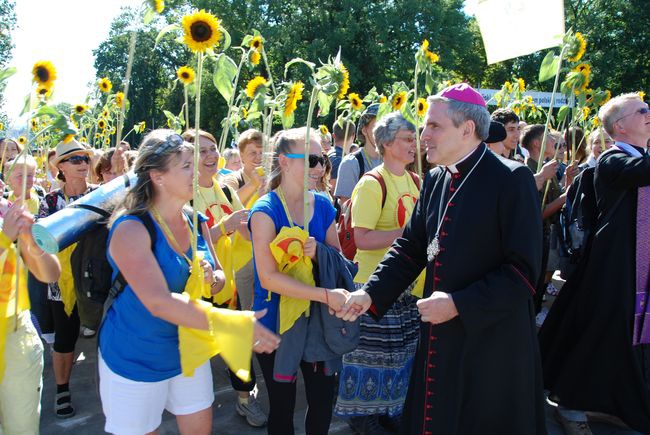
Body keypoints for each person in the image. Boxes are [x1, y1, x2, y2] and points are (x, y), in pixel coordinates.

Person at [337, 83, 546, 434]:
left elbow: (524, 272)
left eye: (434, 126)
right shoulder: (435, 179)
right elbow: (411, 247)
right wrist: (369, 293)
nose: (424, 135)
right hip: (440, 334)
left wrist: (458, 304)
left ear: (467, 129)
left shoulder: (512, 179)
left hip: (491, 338)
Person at [99, 129, 279, 435]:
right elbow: (158, 302)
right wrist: (232, 324)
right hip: (135, 357)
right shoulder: (130, 227)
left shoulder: (196, 219)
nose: (196, 170)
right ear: (157, 176)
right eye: (186, 165)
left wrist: (211, 276)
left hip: (189, 349)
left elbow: (222, 280)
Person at [539, 93, 650, 435]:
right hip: (614, 270)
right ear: (620, 126)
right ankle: (571, 403)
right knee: (600, 336)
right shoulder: (612, 161)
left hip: (638, 269)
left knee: (630, 339)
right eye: (642, 110)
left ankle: (620, 404)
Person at [249, 127, 350, 435]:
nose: (319, 168)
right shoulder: (265, 210)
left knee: (321, 401)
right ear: (284, 162)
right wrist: (324, 294)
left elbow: (338, 257)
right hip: (275, 322)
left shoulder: (322, 204)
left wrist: (318, 252)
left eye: (323, 160)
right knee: (282, 405)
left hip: (319, 322)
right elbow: (268, 278)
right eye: (311, 159)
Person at [334, 112, 422, 434]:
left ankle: (389, 411)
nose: (414, 145)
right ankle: (362, 418)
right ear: (385, 143)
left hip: (408, 289)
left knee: (399, 357)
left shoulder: (414, 181)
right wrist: (409, 233)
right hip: (375, 285)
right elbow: (362, 238)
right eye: (406, 139)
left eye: (414, 139)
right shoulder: (372, 183)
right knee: (369, 360)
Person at [182, 128, 267, 427]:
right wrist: (224, 226)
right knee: (196, 349)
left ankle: (245, 400)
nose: (210, 155)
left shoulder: (227, 190)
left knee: (237, 340)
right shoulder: (184, 194)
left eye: (213, 148)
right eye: (201, 151)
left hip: (228, 282)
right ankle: (191, 409)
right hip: (195, 286)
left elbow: (245, 227)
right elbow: (188, 243)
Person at [38, 138, 95, 419]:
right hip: (61, 283)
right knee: (65, 338)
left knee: (108, 333)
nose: (83, 164)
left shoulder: (100, 195)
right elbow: (41, 242)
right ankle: (62, 390)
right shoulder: (49, 201)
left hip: (97, 280)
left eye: (85, 158)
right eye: (75, 159)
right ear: (60, 166)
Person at [0, 201, 61, 435]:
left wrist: (35, 248)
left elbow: (50, 274)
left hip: (16, 340)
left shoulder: (6, 213)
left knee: (21, 428)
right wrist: (5, 239)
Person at [334, 104, 383, 203]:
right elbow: (346, 207)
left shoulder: (391, 161)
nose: (382, 132)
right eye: (377, 127)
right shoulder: (351, 163)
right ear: (364, 130)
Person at [223, 129, 266, 208]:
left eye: (262, 152)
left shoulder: (273, 178)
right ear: (241, 156)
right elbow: (228, 204)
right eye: (253, 153)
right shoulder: (233, 179)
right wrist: (252, 184)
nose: (259, 157)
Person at [327, 120, 356, 193]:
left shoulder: (329, 154)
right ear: (353, 136)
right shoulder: (340, 160)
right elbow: (333, 192)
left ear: (333, 136)